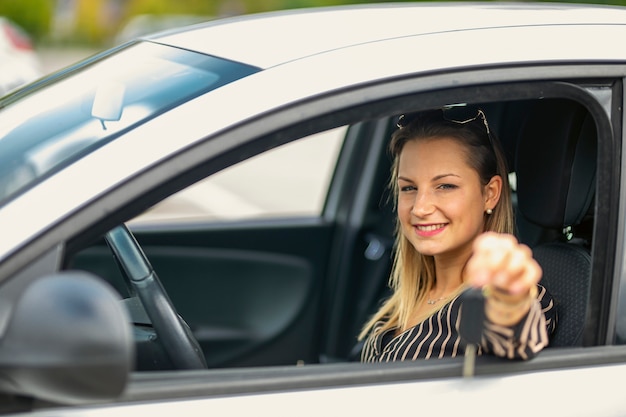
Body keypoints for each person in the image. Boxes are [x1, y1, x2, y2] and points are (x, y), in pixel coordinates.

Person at [359, 107, 557, 362]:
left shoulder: (502, 297)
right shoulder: (408, 296)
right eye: (408, 187)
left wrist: (509, 294)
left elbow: (515, 334)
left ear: (490, 193)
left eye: (445, 186)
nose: (420, 207)